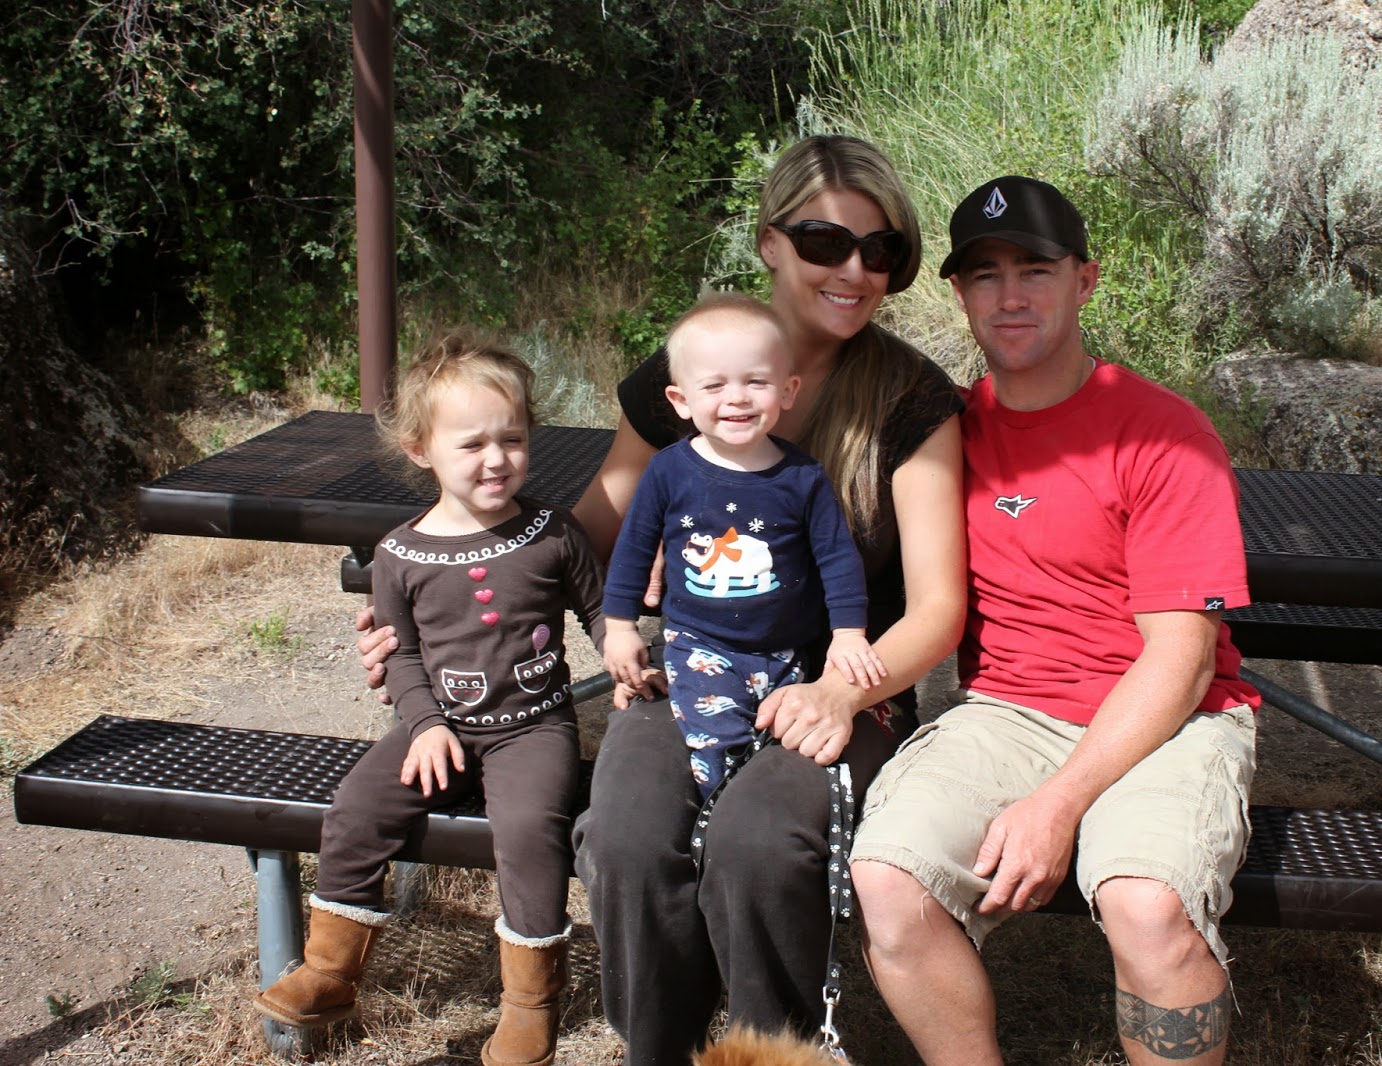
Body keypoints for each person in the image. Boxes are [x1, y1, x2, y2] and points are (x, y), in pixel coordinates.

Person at [348, 135, 964, 1062]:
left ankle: (770, 1049)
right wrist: (428, 617)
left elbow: (939, 608)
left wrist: (843, 693)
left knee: (760, 841)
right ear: (769, 242)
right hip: (690, 671)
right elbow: (584, 537)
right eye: (825, 241)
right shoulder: (687, 372)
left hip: (845, 689)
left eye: (881, 250)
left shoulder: (909, 399)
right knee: (627, 833)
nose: (855, 270)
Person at [850, 176, 1261, 1066]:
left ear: (1086, 279)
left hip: (1169, 718)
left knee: (1147, 904)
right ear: (959, 294)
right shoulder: (944, 430)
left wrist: (1058, 804)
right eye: (985, 275)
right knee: (886, 877)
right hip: (1007, 711)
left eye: (1035, 270)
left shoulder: (1163, 433)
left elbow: (1183, 658)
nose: (1010, 296)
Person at [259, 333, 606, 1066]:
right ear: (420, 450)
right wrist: (422, 725)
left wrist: (624, 655)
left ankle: (530, 1006)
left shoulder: (551, 531)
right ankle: (330, 973)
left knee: (528, 831)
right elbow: (402, 654)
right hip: (437, 728)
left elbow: (600, 610)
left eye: (512, 438)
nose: (496, 458)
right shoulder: (399, 553)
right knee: (357, 807)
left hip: (532, 728)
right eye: (471, 443)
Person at [600, 292, 886, 799]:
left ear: (788, 390)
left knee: (783, 748)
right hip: (699, 645)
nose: (737, 398)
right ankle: (715, 815)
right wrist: (620, 627)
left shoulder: (803, 476)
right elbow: (634, 550)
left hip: (789, 649)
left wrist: (848, 634)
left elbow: (837, 558)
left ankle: (752, 815)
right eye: (714, 385)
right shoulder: (668, 470)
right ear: (681, 400)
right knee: (718, 743)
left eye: (756, 381)